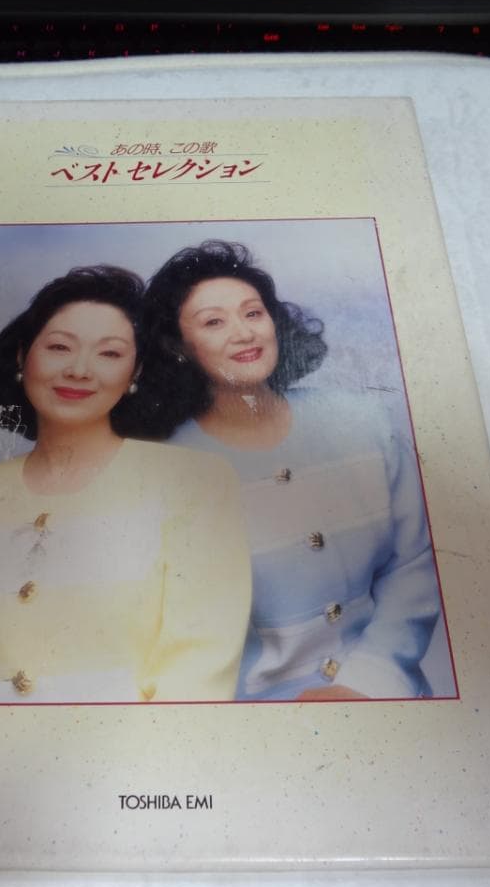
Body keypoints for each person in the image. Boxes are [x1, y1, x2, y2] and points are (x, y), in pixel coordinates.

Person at [0, 265, 251, 705]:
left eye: (109, 353)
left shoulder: (195, 484)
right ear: (22, 357)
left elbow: (196, 675)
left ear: (136, 372)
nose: (79, 370)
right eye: (59, 347)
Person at [144, 240, 443, 702]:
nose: (244, 333)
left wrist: (369, 680)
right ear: (177, 346)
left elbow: (414, 566)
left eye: (253, 313)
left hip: (386, 699)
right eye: (213, 322)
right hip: (254, 720)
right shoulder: (165, 467)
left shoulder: (362, 422)